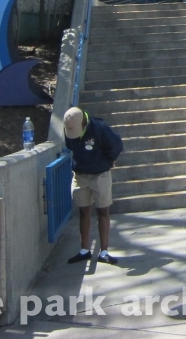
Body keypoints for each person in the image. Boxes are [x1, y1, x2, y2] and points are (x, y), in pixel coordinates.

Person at [64, 107, 124, 265]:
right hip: (80, 175)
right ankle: (84, 250)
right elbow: (70, 145)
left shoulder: (99, 128)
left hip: (100, 175)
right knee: (83, 212)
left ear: (83, 122)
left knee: (103, 212)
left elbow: (116, 145)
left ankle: (104, 252)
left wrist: (109, 160)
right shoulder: (69, 126)